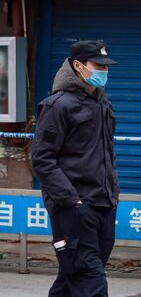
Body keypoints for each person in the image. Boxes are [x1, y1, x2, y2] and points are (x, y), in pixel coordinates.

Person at [32, 40, 119, 297]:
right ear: (78, 66)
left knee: (72, 279)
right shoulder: (57, 105)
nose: (104, 71)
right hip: (74, 207)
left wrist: (113, 193)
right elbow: (42, 159)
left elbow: (106, 154)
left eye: (106, 66)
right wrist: (72, 201)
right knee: (89, 279)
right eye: (98, 65)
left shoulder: (103, 104)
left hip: (104, 204)